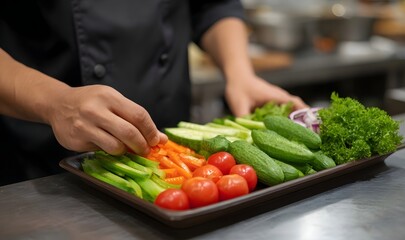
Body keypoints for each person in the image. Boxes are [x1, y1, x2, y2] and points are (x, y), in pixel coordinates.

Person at [0, 0, 307, 185]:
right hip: (39, 161)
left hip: (178, 162)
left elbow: (211, 4)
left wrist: (240, 73)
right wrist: (56, 102)